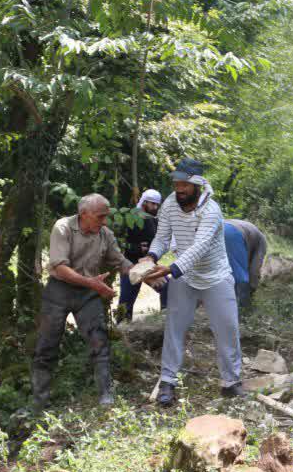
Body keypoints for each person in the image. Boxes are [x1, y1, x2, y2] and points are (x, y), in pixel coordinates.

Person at [141, 158, 245, 405]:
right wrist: (151, 256)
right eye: (176, 183)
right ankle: (167, 382)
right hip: (184, 277)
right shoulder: (168, 204)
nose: (179, 188)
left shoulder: (212, 210)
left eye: (184, 184)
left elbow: (200, 247)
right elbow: (162, 237)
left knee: (227, 330)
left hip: (215, 276)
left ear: (197, 184)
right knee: (174, 328)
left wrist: (170, 269)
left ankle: (231, 382)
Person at [33, 194, 132, 409]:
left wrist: (146, 273)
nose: (104, 221)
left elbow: (120, 262)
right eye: (100, 217)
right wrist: (92, 283)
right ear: (83, 214)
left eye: (106, 216)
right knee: (46, 345)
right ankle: (39, 401)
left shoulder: (105, 234)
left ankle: (106, 395)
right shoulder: (63, 227)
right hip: (59, 290)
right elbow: (60, 267)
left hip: (87, 294)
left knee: (99, 340)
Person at [116, 190, 165, 322]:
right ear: (144, 202)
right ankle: (120, 335)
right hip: (130, 265)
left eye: (157, 204)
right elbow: (117, 242)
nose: (155, 207)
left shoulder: (154, 219)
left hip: (148, 265)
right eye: (152, 204)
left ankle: (165, 324)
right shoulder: (130, 218)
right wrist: (135, 247)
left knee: (168, 289)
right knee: (125, 305)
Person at [224, 218, 267, 310]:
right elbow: (254, 271)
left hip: (217, 227)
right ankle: (244, 310)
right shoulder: (262, 241)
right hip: (232, 232)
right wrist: (252, 289)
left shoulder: (251, 234)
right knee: (241, 276)